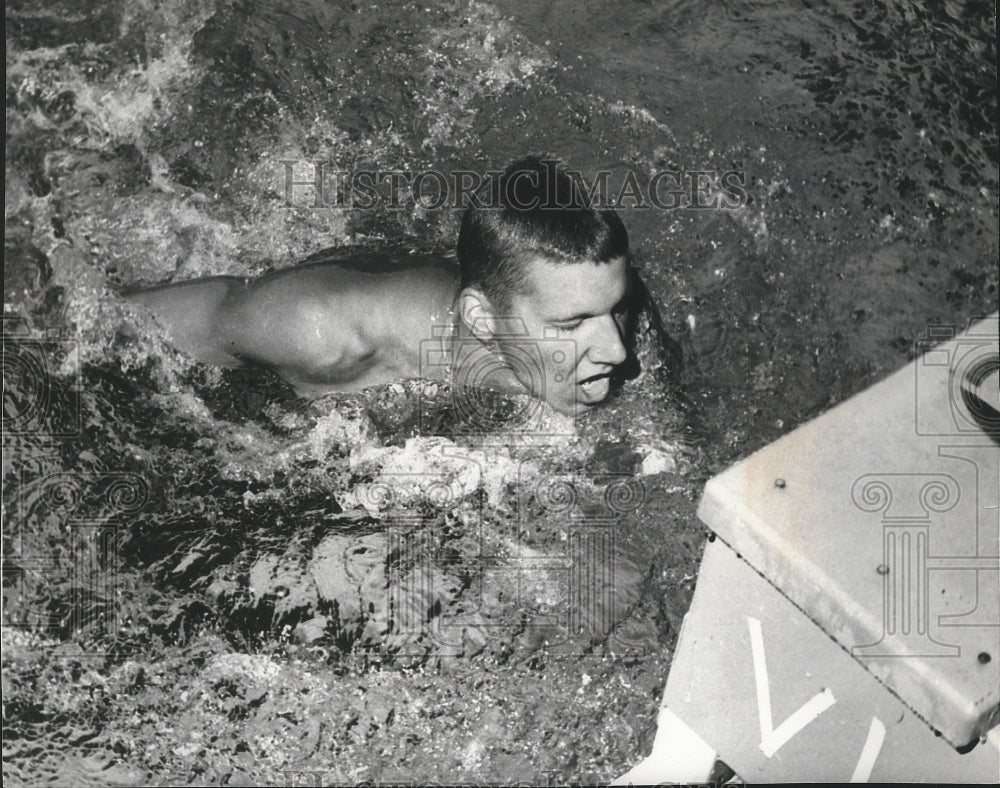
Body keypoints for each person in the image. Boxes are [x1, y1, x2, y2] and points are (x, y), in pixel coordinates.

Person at [128, 156, 676, 416]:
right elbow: (112, 323)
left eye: (616, 310)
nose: (617, 350)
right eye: (571, 325)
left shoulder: (603, 293)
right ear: (482, 320)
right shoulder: (320, 328)